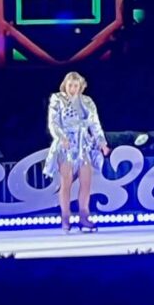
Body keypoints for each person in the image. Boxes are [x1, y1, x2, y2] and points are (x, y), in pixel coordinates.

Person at [43, 71, 110, 232]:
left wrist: (102, 143)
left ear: (81, 87)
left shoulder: (87, 102)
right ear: (65, 85)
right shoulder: (57, 99)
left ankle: (84, 216)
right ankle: (65, 218)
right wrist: (61, 137)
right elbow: (53, 123)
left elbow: (95, 125)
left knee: (86, 182)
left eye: (76, 85)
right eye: (70, 85)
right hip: (66, 145)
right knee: (66, 183)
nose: (73, 88)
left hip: (84, 145)